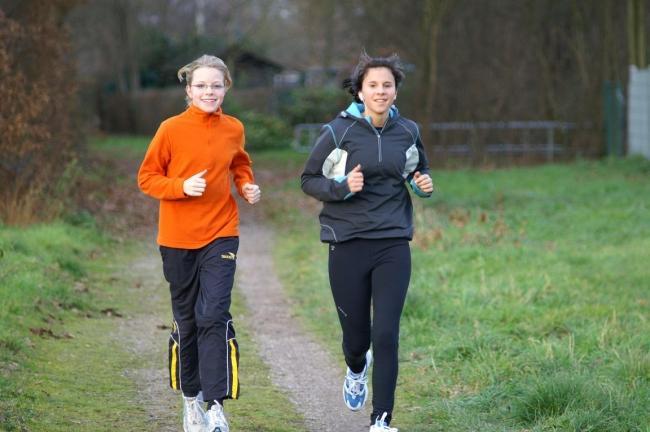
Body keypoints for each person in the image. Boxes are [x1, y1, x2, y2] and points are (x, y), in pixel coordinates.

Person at [300, 52, 434, 432]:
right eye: (372, 85)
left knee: (386, 332)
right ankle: (356, 367)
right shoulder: (337, 131)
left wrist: (423, 184)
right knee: (356, 337)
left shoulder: (408, 130)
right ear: (360, 90)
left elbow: (415, 169)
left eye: (387, 85)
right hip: (347, 241)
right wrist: (341, 188)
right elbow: (309, 179)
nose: (380, 91)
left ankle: (382, 419)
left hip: (392, 242)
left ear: (395, 91)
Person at [138, 54, 261, 432]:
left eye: (216, 85)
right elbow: (147, 178)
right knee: (188, 320)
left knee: (214, 315)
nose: (210, 91)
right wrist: (180, 187)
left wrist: (246, 185)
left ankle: (215, 405)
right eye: (202, 85)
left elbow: (239, 165)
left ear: (226, 88)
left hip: (221, 232)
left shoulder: (234, 128)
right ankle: (190, 400)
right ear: (189, 90)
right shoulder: (170, 129)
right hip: (176, 239)